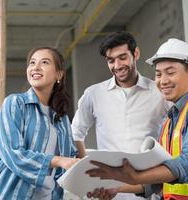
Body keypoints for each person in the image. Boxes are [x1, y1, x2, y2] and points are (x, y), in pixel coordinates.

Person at [85, 38, 188, 199]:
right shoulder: (169, 121)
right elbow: (160, 181)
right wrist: (116, 188)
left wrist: (136, 176)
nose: (163, 81)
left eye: (170, 72)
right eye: (158, 74)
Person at [71, 31, 169, 199]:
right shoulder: (94, 94)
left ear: (136, 53)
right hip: (108, 192)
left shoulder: (160, 92)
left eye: (122, 57)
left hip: (150, 191)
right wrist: (86, 167)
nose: (117, 65)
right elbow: (75, 133)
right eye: (111, 60)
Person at [0, 47, 79, 200]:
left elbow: (71, 159)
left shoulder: (62, 118)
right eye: (32, 63)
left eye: (44, 62)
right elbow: (14, 153)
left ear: (59, 74)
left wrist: (91, 178)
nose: (35, 67)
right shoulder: (15, 103)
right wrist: (58, 160)